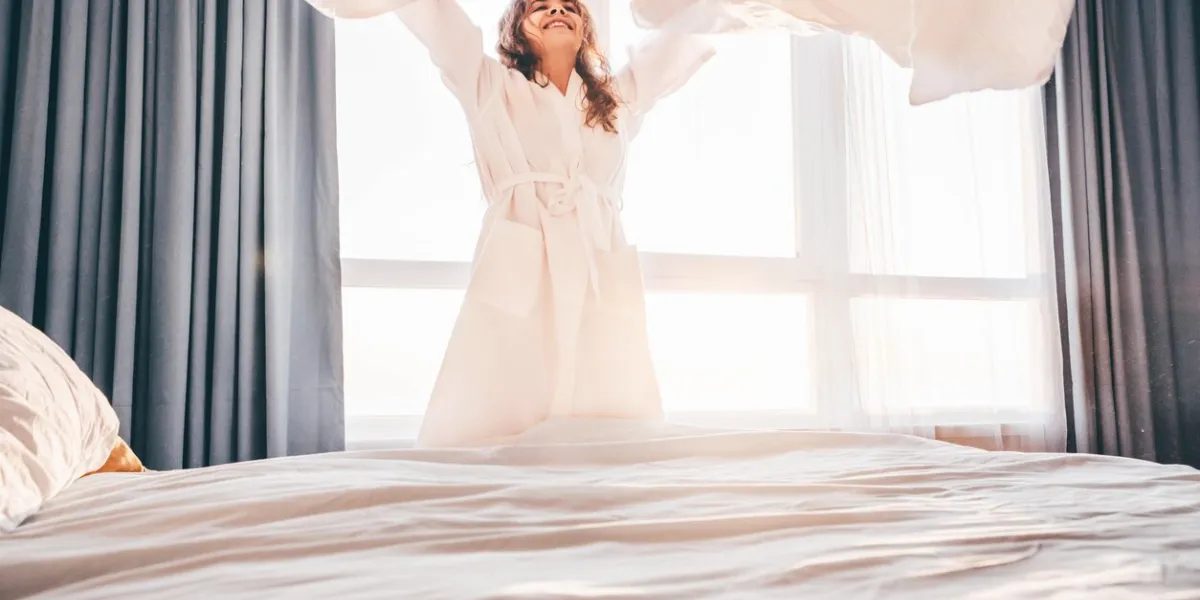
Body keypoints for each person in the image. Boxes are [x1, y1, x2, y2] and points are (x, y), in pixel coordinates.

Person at [368, 0, 717, 447]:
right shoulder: (489, 84)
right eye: (541, 6)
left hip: (597, 257)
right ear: (517, 28)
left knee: (609, 406)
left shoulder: (615, 99)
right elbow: (440, 23)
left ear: (585, 26)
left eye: (569, 6)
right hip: (520, 256)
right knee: (501, 405)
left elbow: (676, 44)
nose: (558, 10)